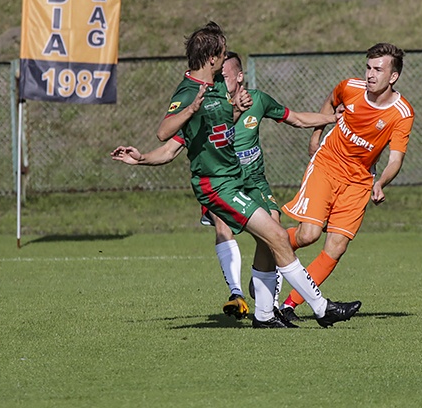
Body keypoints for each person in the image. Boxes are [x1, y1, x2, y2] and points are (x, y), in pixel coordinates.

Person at [111, 21, 362, 328]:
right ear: (212, 57)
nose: (226, 56)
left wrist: (237, 110)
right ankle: (322, 309)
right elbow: (165, 135)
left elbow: (216, 126)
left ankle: (265, 316)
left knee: (273, 236)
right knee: (277, 236)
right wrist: (146, 155)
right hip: (216, 185)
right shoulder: (189, 91)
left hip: (236, 181)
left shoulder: (216, 88)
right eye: (223, 51)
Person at [278, 43, 415, 321]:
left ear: (393, 76)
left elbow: (395, 159)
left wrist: (381, 183)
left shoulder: (402, 113)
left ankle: (288, 306)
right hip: (327, 165)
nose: (370, 74)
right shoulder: (349, 88)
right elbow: (330, 102)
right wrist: (316, 137)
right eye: (368, 67)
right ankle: (272, 246)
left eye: (378, 69)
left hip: (360, 181)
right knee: (308, 235)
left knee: (336, 247)